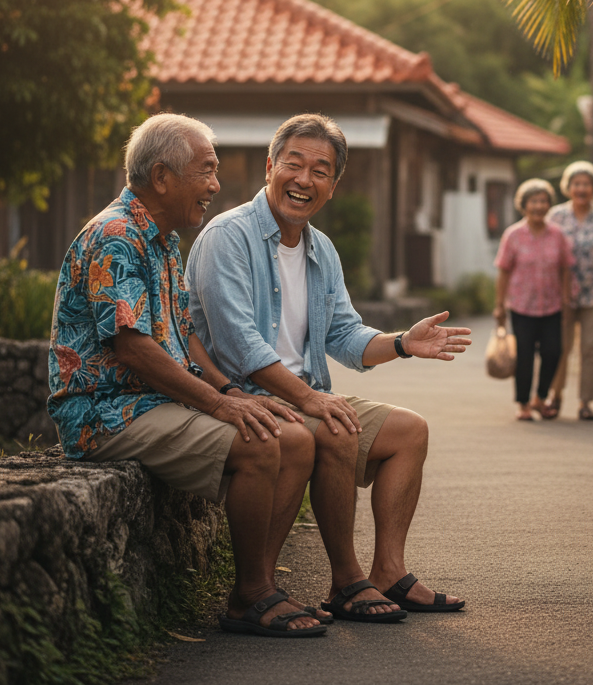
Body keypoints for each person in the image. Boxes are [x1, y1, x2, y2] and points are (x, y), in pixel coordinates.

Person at [49, 114, 331, 638]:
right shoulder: (116, 235)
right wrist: (223, 406)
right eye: (206, 171)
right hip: (105, 410)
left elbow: (183, 335)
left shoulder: (160, 238)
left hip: (148, 401)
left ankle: (261, 583)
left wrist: (229, 391)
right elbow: (133, 349)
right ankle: (249, 596)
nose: (215, 185)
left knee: (294, 439)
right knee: (260, 443)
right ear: (161, 176)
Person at [186, 114, 470, 624]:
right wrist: (312, 400)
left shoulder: (322, 250)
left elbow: (345, 336)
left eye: (321, 170)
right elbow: (238, 344)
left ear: (333, 187)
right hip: (244, 395)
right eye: (293, 164)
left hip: (305, 394)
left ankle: (388, 572)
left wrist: (403, 343)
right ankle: (345, 580)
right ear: (270, 166)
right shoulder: (227, 237)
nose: (304, 180)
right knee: (336, 428)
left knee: (410, 432)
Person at [493, 178, 574, 421]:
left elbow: (566, 269)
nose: (539, 206)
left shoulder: (558, 235)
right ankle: (523, 403)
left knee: (554, 352)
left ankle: (540, 397)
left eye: (543, 201)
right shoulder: (513, 235)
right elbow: (504, 271)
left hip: (552, 305)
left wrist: (567, 299)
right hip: (521, 306)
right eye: (533, 201)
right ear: (523, 205)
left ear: (549, 205)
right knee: (525, 356)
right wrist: (499, 305)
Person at [546, 161, 593, 420]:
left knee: (590, 347)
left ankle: (585, 402)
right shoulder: (555, 216)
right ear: (568, 187)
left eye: (586, 184)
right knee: (559, 347)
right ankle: (554, 396)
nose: (581, 188)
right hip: (560, 295)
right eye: (576, 183)